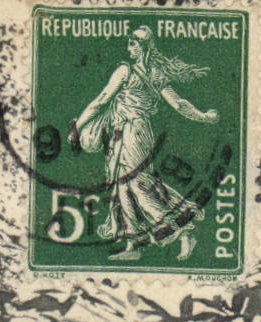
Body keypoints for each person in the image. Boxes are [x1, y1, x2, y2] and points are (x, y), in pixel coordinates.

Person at [70, 26, 219, 260]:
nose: (129, 48)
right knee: (123, 188)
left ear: (143, 47)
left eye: (133, 44)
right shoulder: (157, 73)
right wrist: (203, 117)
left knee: (137, 185)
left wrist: (77, 127)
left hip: (132, 132)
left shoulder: (125, 70)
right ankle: (133, 246)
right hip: (130, 133)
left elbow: (101, 101)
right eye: (129, 43)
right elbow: (179, 104)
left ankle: (182, 230)